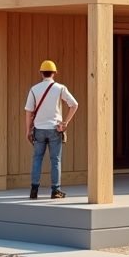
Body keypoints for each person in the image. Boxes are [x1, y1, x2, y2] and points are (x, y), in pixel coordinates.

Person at [23, 60, 79, 199]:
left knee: (37, 159)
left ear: (41, 73)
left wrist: (28, 131)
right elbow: (74, 104)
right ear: (54, 73)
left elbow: (29, 112)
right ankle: (55, 191)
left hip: (39, 129)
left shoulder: (34, 89)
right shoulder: (60, 88)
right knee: (56, 160)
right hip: (55, 129)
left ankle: (34, 191)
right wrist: (65, 122)